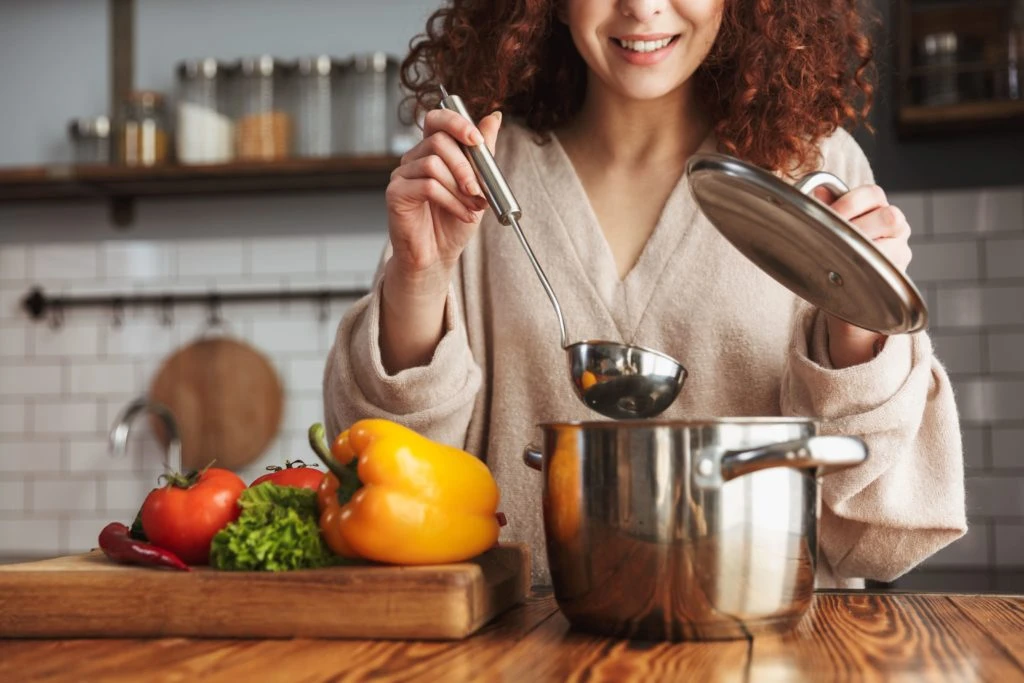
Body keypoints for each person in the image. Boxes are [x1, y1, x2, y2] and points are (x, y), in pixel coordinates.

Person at [324, 0, 967, 588]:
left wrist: (857, 314)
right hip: (528, 650)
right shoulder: (480, 175)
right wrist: (420, 273)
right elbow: (393, 482)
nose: (642, 7)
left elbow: (875, 534)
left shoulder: (814, 172)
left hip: (769, 642)